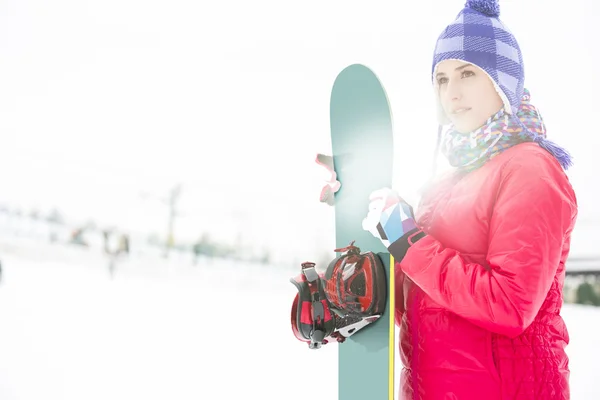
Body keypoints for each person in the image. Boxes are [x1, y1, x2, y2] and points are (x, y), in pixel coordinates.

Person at [361, 1, 578, 399]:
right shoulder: (444, 183)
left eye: (467, 74)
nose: (452, 93)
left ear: (503, 83)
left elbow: (511, 305)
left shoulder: (531, 170)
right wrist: (354, 284)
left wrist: (409, 241)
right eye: (441, 79)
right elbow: (421, 300)